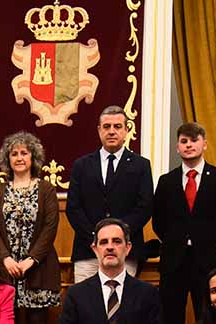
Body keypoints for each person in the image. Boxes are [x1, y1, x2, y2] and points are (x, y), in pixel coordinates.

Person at [152, 122, 216, 324]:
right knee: (170, 320)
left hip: (208, 260)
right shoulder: (166, 181)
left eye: (194, 140)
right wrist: (177, 241)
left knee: (208, 318)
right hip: (174, 262)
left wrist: (208, 241)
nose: (189, 145)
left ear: (204, 144)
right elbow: (158, 221)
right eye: (184, 141)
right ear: (177, 147)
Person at [66, 105, 154, 283]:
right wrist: (97, 238)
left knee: (122, 307)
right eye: (107, 127)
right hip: (88, 250)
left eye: (117, 126)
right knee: (86, 306)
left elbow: (144, 207)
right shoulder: (82, 165)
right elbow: (73, 208)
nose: (112, 131)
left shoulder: (141, 165)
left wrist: (118, 237)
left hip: (125, 252)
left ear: (126, 130)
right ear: (99, 130)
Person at [0, 131, 61, 324]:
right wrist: (5, 259)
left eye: (24, 153)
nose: (19, 158)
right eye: (14, 154)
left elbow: (50, 227)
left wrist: (31, 259)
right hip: (5, 270)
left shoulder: (47, 189)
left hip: (39, 268)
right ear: (7, 159)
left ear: (33, 157)